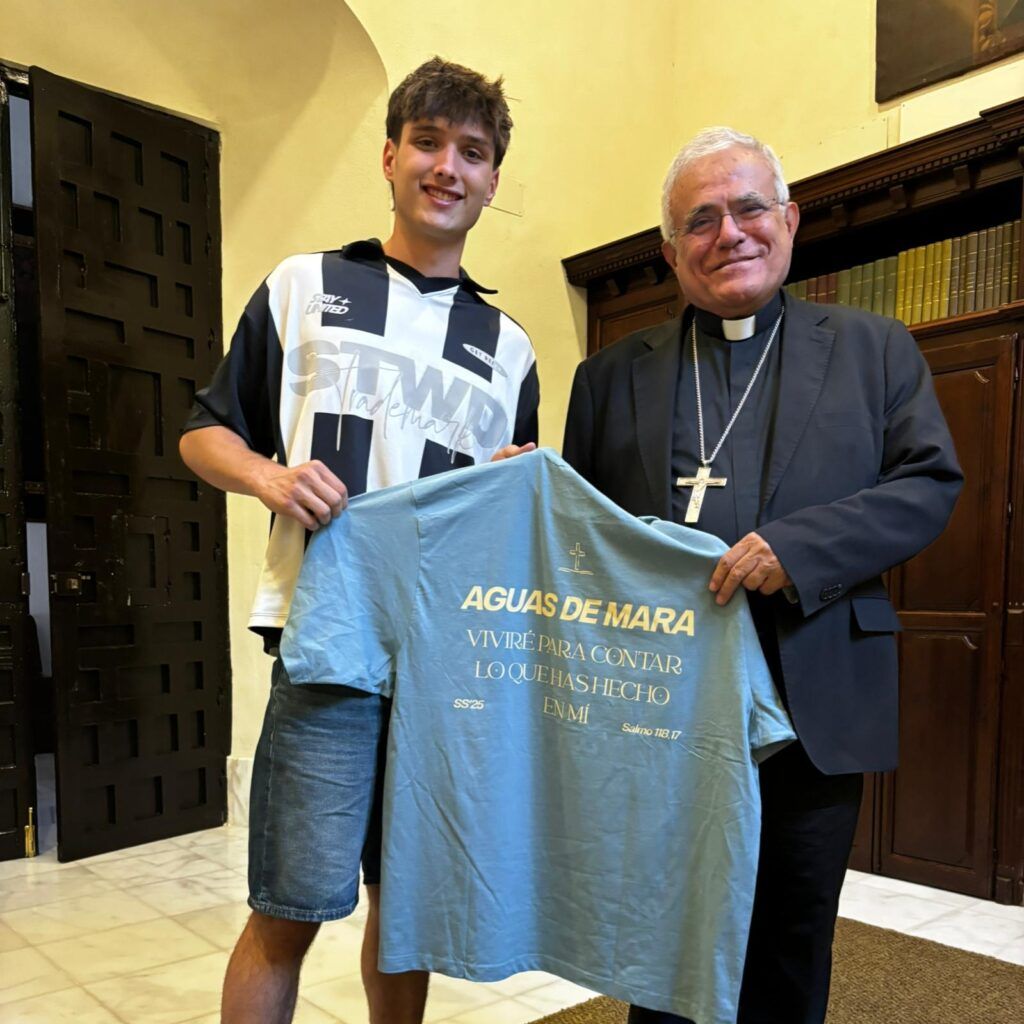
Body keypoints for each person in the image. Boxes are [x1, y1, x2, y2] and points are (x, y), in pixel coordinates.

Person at [561, 126, 962, 1024]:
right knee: (662, 939)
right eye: (700, 220)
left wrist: (799, 550)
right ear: (670, 253)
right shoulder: (608, 377)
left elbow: (929, 486)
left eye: (748, 209)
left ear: (789, 219)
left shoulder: (874, 349)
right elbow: (576, 535)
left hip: (812, 689)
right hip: (659, 704)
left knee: (789, 936)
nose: (729, 234)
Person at [179, 57, 539, 1024]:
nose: (447, 168)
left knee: (407, 907)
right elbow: (204, 431)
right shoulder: (304, 286)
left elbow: (511, 521)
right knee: (286, 911)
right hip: (326, 640)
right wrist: (269, 475)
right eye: (428, 143)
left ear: (493, 180)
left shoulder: (512, 349)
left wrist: (512, 489)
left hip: (442, 662)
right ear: (390, 155)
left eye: (473, 152)